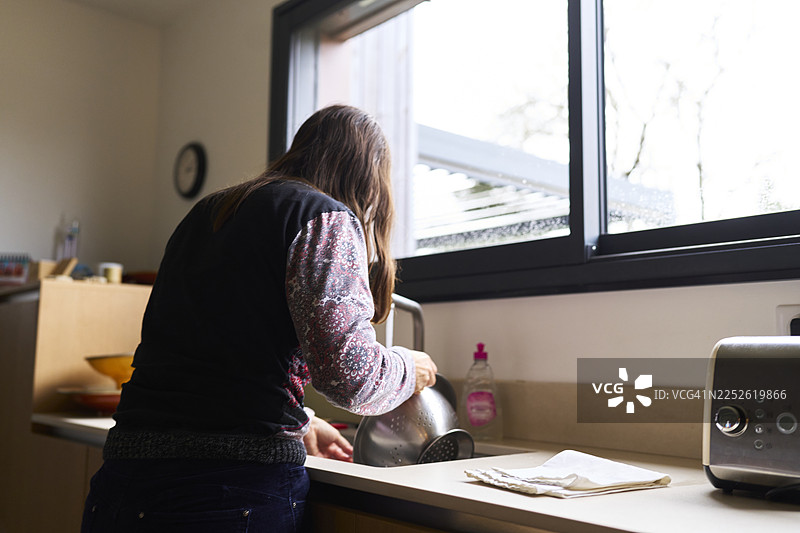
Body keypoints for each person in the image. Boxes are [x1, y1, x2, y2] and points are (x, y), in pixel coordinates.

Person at [81, 104, 438, 533]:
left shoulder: (211, 211)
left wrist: (303, 421)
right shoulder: (325, 217)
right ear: (368, 179)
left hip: (123, 479)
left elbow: (212, 356)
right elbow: (351, 377)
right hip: (225, 493)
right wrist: (407, 367)